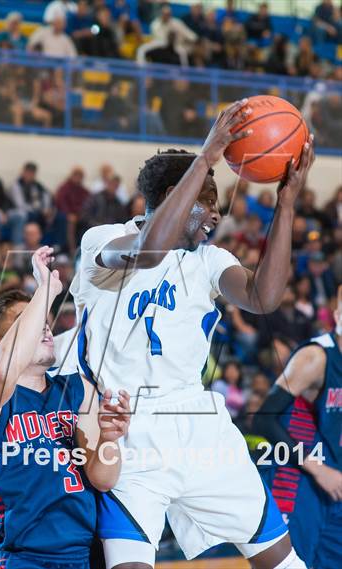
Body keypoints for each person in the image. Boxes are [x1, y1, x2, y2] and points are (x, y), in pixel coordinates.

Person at [64, 99, 315, 568]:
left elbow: (263, 298)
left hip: (200, 424)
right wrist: (206, 157)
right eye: (206, 202)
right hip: (126, 426)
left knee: (282, 560)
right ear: (177, 194)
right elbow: (149, 250)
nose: (216, 216)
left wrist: (287, 204)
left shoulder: (208, 261)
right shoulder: (102, 240)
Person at [0, 246, 131, 569]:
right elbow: (0, 371)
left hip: (85, 555)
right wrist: (44, 292)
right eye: (30, 321)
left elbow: (104, 479)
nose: (45, 326)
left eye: (43, 320)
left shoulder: (79, 388)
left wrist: (109, 439)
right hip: (23, 558)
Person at [254, 285, 342, 569]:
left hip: (334, 484)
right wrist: (319, 469)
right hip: (299, 479)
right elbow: (263, 418)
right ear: (337, 314)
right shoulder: (316, 357)